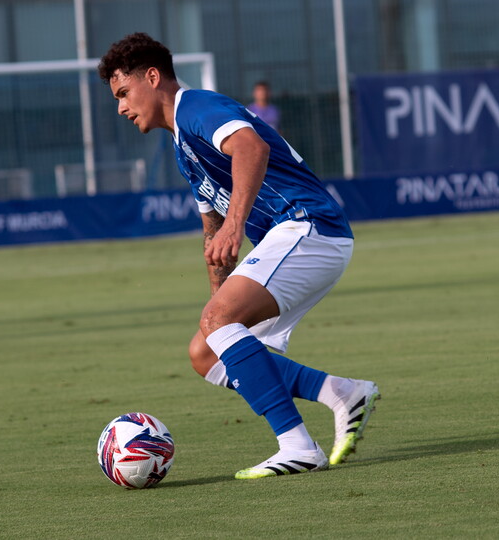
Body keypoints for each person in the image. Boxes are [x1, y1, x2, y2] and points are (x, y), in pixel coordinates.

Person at [98, 33, 380, 479]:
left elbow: (252, 148)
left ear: (152, 78)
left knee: (217, 326)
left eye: (123, 93)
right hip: (296, 241)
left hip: (309, 227)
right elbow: (212, 226)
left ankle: (298, 447)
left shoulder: (196, 107)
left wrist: (234, 228)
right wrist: (218, 299)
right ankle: (342, 393)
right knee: (206, 353)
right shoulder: (181, 143)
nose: (120, 107)